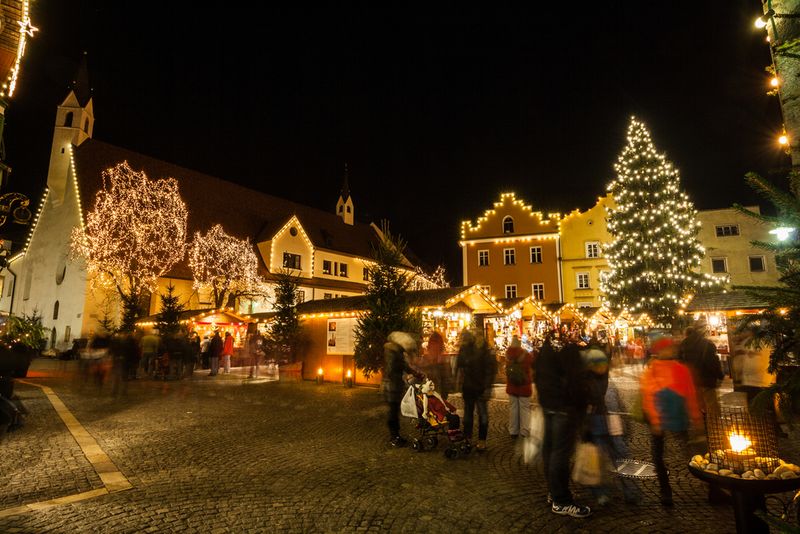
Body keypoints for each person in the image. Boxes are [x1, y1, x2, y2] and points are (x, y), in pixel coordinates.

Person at [534, 329, 591, 518]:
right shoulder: (569, 351)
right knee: (560, 453)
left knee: (550, 450)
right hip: (564, 406)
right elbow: (577, 381)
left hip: (548, 404)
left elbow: (538, 376)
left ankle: (554, 491)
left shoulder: (545, 350)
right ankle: (562, 500)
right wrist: (582, 406)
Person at [640, 336, 701, 506]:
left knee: (690, 454)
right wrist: (655, 420)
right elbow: (649, 397)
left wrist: (695, 417)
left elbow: (690, 395)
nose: (673, 350)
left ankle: (712, 486)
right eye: (669, 348)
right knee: (661, 456)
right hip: (664, 419)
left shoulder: (678, 369)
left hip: (674, 418)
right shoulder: (655, 370)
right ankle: (665, 492)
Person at [583, 341, 642, 506]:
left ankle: (612, 493)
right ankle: (624, 492)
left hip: (603, 424)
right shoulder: (602, 382)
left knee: (609, 459)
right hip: (605, 424)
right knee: (614, 459)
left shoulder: (592, 382)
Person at [456, 329, 497, 451]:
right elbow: (490, 369)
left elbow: (460, 364)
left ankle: (472, 439)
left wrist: (487, 386)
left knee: (473, 414)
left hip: (475, 387)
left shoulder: (479, 350)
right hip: (475, 387)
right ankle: (479, 440)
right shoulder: (479, 350)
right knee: (478, 415)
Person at [383, 331, 423, 447]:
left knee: (394, 411)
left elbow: (404, 366)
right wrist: (413, 372)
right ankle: (394, 437)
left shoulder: (395, 352)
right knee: (393, 411)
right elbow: (394, 368)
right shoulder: (394, 353)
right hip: (392, 386)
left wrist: (415, 372)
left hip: (394, 384)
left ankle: (396, 435)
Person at [677, 323, 724, 414]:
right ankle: (713, 426)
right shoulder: (707, 344)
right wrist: (720, 375)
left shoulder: (682, 345)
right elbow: (713, 362)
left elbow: (680, 362)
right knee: (711, 405)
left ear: (686, 334)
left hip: (691, 380)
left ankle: (701, 425)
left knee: (696, 405)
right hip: (707, 380)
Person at [505, 335, 533, 438]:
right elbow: (532, 362)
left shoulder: (507, 354)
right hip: (524, 386)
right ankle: (524, 431)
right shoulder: (525, 354)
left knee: (513, 409)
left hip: (512, 386)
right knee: (524, 409)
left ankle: (513, 431)